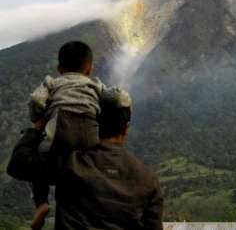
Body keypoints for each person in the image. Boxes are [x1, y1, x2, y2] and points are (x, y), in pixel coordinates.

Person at [7, 89, 164, 229]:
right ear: (126, 127)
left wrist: (38, 127)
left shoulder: (70, 164)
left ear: (95, 123)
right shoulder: (148, 179)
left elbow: (17, 164)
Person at [27, 41, 117, 229]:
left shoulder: (52, 82)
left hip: (60, 133)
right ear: (90, 69)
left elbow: (36, 99)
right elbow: (116, 98)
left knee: (36, 157)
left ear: (59, 68)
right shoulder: (95, 84)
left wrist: (37, 117)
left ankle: (41, 203)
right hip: (90, 135)